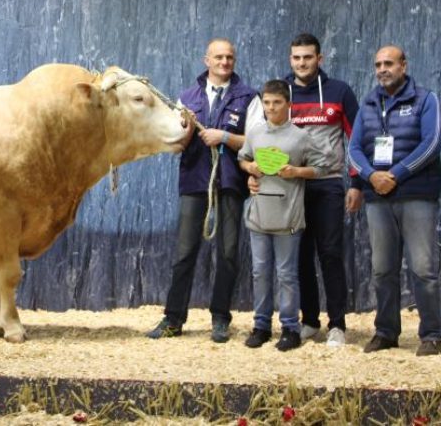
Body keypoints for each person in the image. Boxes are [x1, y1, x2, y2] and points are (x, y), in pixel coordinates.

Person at [147, 38, 262, 343]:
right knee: (184, 252)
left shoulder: (249, 97)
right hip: (195, 182)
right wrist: (185, 131)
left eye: (230, 57)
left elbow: (255, 140)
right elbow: (178, 146)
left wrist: (224, 136)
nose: (225, 62)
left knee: (227, 253)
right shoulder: (187, 98)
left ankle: (220, 319)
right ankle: (173, 319)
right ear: (206, 60)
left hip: (230, 183)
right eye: (219, 57)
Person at [348, 45, 441, 356]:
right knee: (382, 268)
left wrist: (396, 174)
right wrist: (372, 176)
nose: (382, 69)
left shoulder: (426, 99)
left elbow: (432, 144)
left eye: (389, 63)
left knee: (424, 269)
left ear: (404, 65)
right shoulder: (369, 103)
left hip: (416, 195)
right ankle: (386, 332)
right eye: (378, 64)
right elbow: (353, 149)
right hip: (377, 198)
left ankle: (432, 334)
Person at [281, 33, 362, 347]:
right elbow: (266, 136)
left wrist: (355, 183)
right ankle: (310, 320)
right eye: (296, 58)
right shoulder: (280, 92)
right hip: (291, 187)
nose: (302, 63)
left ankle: (337, 324)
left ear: (320, 59)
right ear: (291, 59)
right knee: (299, 257)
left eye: (308, 57)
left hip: (328, 185)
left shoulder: (339, 91)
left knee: (330, 254)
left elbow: (356, 138)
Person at [239, 79, 330, 351]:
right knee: (259, 272)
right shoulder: (255, 133)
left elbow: (323, 167)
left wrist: (296, 172)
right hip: (259, 215)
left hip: (288, 216)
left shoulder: (301, 137)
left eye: (277, 102)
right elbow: (242, 158)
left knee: (287, 274)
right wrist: (250, 170)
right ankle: (261, 325)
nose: (271, 108)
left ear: (288, 104)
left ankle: (290, 327)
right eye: (266, 102)